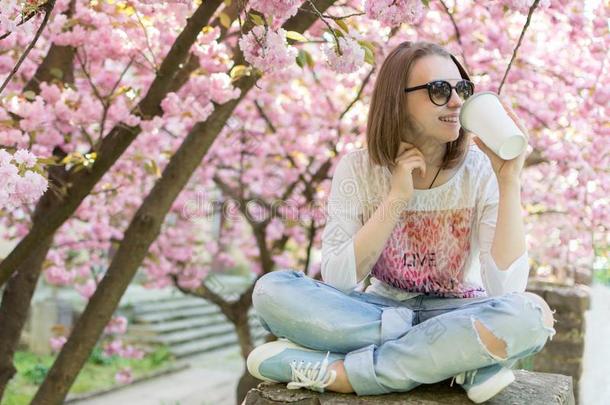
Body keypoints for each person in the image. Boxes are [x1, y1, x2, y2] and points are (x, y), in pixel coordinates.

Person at [245, 41, 557, 404]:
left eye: (462, 89)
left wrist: (509, 180)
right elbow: (339, 277)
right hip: (377, 311)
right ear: (398, 101)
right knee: (272, 290)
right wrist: (396, 198)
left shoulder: (480, 168)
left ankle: (350, 374)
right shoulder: (358, 168)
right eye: (439, 91)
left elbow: (506, 289)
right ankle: (454, 356)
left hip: (458, 308)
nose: (457, 101)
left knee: (533, 315)